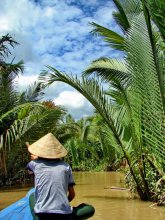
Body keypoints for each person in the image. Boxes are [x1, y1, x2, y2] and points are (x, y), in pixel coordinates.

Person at [27, 133, 75, 220]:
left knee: (31, 197)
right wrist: (61, 206)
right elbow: (72, 195)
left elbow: (30, 172)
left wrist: (36, 160)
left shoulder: (34, 164)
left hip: (43, 213)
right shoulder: (66, 166)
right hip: (64, 213)